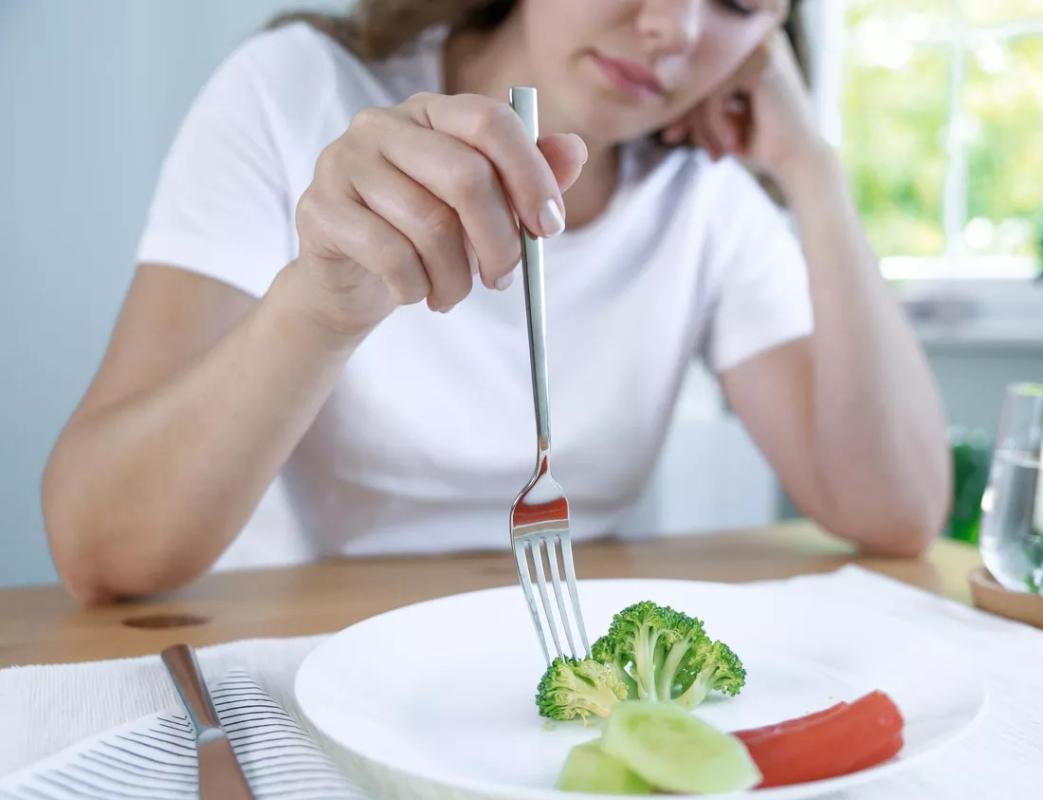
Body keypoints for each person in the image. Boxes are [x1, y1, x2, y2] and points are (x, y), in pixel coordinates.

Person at [42, 0, 949, 604]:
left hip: (544, 669)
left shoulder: (704, 198)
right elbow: (100, 552)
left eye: (738, 0)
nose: (672, 25)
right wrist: (321, 303)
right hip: (286, 643)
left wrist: (812, 170)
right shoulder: (295, 91)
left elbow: (896, 511)